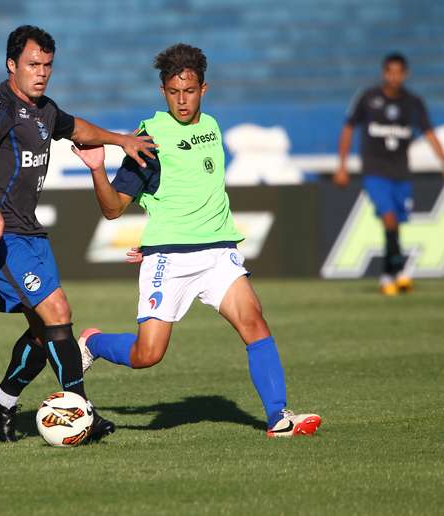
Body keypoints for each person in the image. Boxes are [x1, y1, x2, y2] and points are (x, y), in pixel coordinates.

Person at [70, 43, 321, 438]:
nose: (181, 100)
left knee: (254, 322)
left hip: (219, 253)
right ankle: (94, 343)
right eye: (173, 92)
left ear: (204, 89)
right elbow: (113, 209)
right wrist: (98, 170)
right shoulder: (149, 139)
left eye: (188, 91)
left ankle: (279, 418)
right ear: (163, 92)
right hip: (169, 260)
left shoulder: (213, 128)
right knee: (147, 354)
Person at [0, 25, 157, 443]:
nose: (42, 72)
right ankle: (82, 411)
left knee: (42, 330)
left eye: (48, 65)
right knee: (59, 312)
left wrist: (121, 140)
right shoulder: (0, 106)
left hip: (28, 233)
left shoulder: (44, 109)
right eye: (33, 64)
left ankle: (2, 399)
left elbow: (77, 128)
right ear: (12, 65)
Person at [334, 53, 444, 295]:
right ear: (385, 73)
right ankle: (402, 270)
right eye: (390, 72)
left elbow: (428, 133)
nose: (394, 77)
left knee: (396, 224)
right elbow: (348, 128)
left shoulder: (413, 103)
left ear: (405, 74)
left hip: (401, 173)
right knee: (389, 217)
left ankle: (388, 274)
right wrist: (341, 165)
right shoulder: (368, 98)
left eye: (399, 72)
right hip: (375, 170)